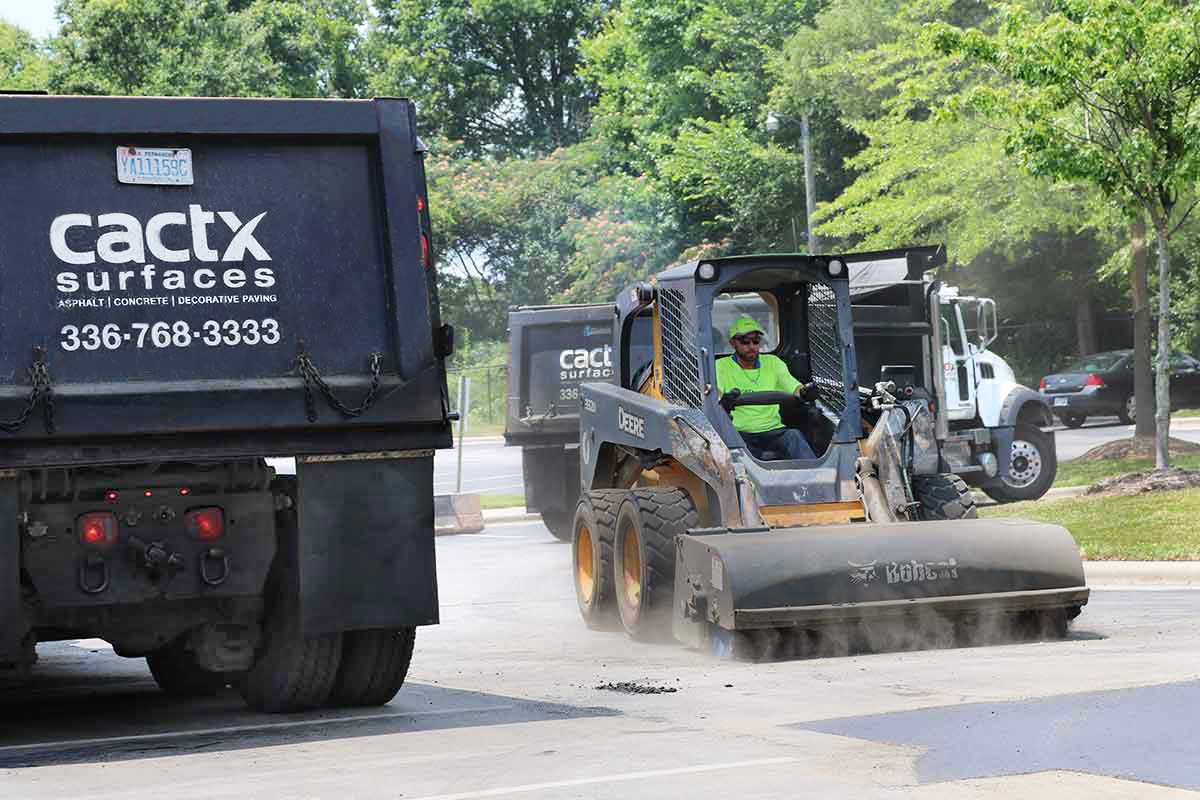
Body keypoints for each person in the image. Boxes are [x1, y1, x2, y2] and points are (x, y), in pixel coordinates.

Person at [715, 316, 817, 461]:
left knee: (794, 436)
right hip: (739, 434)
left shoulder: (773, 363)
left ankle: (816, 478)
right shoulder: (720, 366)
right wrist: (724, 399)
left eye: (756, 341)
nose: (751, 346)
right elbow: (716, 394)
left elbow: (794, 387)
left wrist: (806, 391)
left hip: (774, 431)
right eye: (745, 341)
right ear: (733, 343)